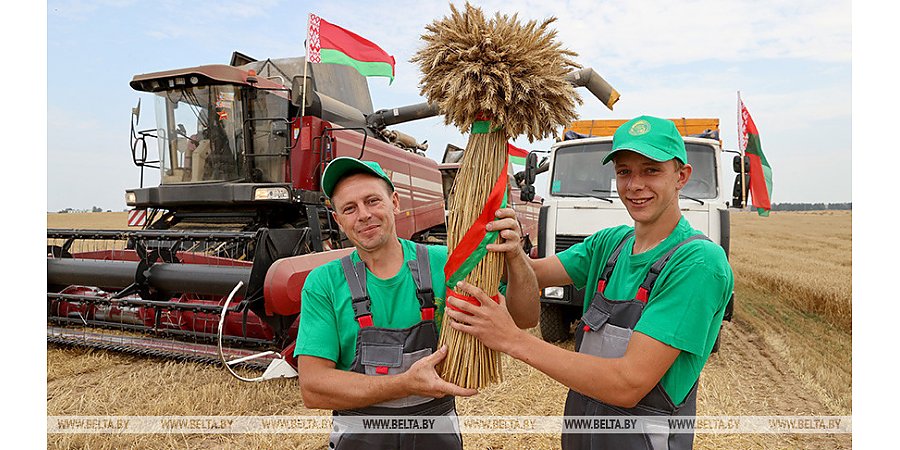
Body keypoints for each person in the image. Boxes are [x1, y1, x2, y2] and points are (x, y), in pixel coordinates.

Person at [445, 115, 734, 449]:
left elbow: (628, 384)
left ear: (681, 176)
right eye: (624, 171)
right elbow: (533, 275)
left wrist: (512, 340)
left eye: (651, 170)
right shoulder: (610, 245)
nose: (634, 184)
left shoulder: (698, 263)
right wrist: (510, 248)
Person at [295, 156, 538, 449]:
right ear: (338, 221)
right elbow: (313, 388)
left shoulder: (445, 263)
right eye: (349, 208)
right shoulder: (325, 283)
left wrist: (515, 256)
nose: (363, 214)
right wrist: (405, 384)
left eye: (373, 201)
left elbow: (526, 318)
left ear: (395, 202)